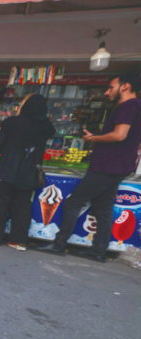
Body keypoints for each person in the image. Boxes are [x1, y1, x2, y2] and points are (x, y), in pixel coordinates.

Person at [37, 73, 141, 262]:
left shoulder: (128, 106)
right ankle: (98, 251)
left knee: (74, 202)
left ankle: (59, 244)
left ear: (125, 86)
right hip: (120, 165)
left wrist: (94, 139)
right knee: (103, 208)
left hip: (108, 164)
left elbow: (119, 135)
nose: (107, 92)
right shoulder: (136, 107)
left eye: (111, 87)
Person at [0, 94, 55, 251]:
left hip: (7, 167)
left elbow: (0, 143)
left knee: (0, 203)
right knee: (23, 205)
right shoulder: (45, 127)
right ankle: (18, 240)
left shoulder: (12, 122)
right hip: (29, 170)